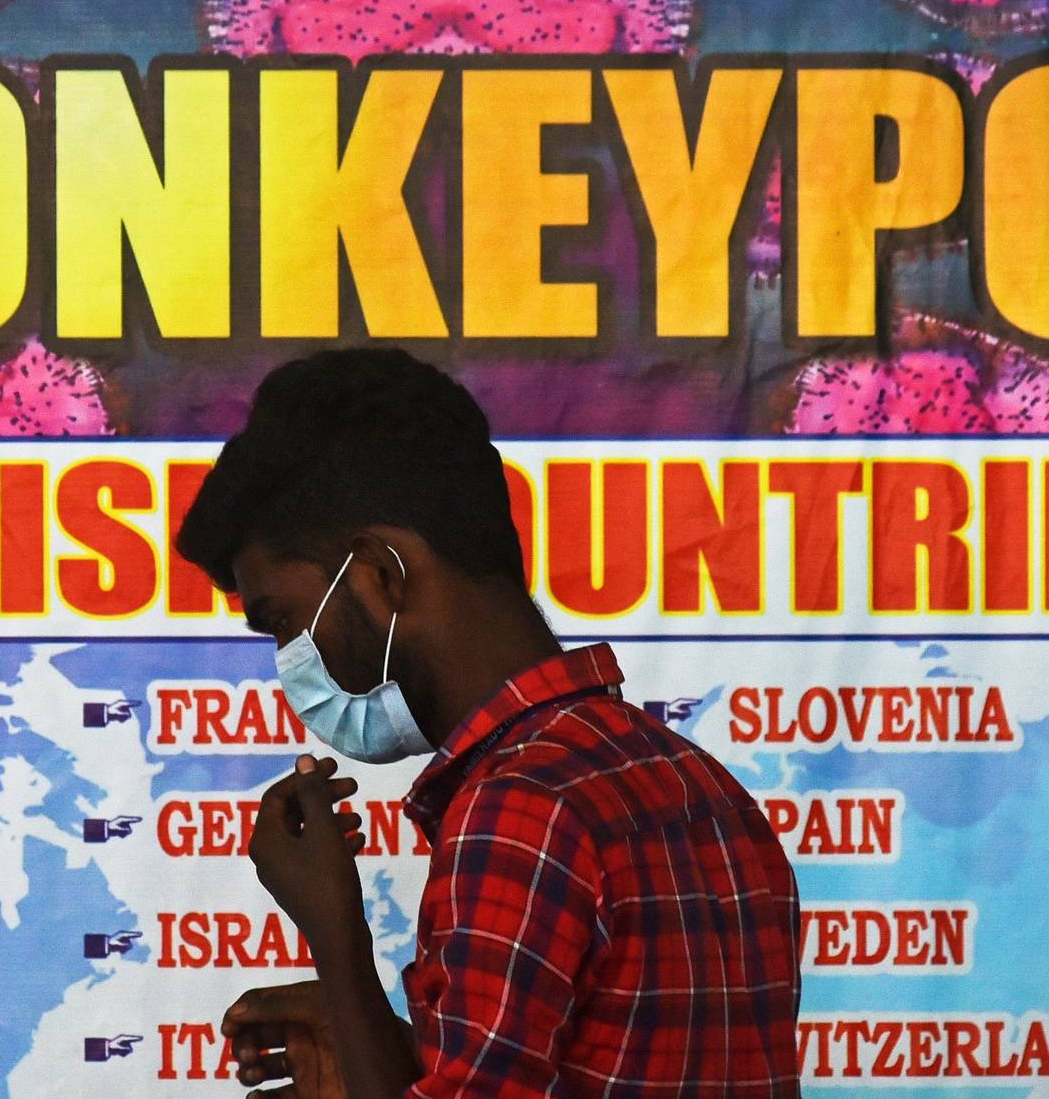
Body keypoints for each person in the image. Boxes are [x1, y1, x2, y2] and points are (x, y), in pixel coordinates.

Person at [174, 348, 802, 1099]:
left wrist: (335, 938)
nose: (290, 660)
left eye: (284, 622)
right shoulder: (698, 784)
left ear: (379, 573)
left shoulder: (518, 812)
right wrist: (360, 1028)